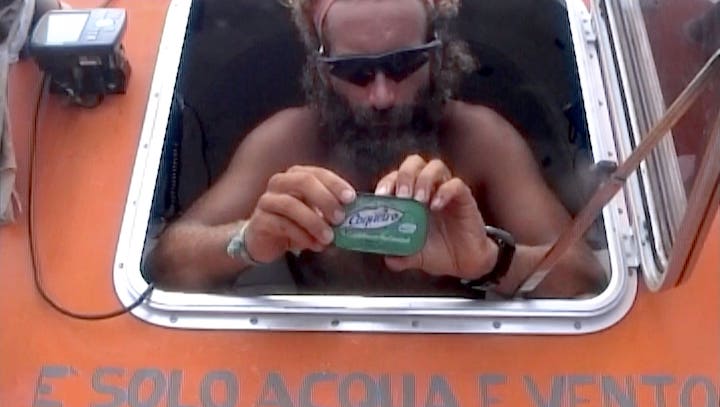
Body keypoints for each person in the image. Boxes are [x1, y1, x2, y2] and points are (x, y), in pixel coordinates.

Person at [149, 0, 606, 298]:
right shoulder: (287, 142)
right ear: (322, 69)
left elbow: (584, 276)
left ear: (437, 55)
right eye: (355, 72)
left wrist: (490, 261)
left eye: (404, 64)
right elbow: (165, 263)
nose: (382, 96)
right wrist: (247, 241)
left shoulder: (481, 141)